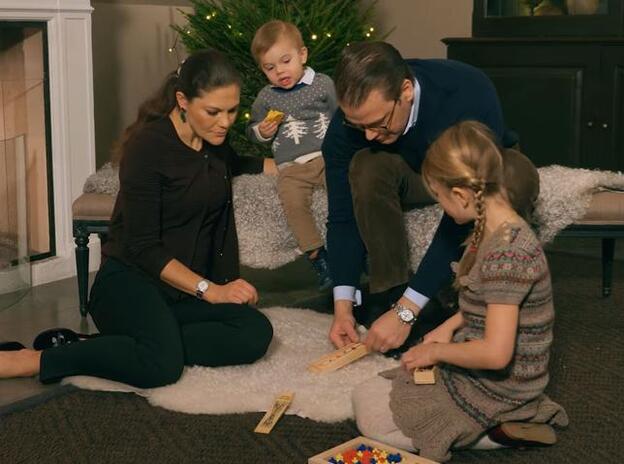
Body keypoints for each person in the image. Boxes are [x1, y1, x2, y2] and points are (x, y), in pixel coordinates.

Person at [0, 49, 275, 386]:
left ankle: (139, 345)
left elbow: (234, 162)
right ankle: (37, 359)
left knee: (255, 331)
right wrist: (211, 291)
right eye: (214, 111)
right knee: (162, 368)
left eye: (232, 111)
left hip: (181, 292)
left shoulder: (213, 141)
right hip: (129, 282)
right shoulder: (147, 148)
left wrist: (290, 167)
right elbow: (144, 248)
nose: (225, 122)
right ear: (182, 101)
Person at [352, 121, 568, 462]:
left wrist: (437, 354)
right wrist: (447, 328)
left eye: (439, 198)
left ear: (461, 195)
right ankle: (497, 424)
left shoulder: (508, 253)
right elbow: (488, 304)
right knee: (372, 391)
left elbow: (497, 354)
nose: (443, 209)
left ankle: (497, 432)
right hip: (480, 367)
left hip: (501, 387)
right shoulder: (495, 230)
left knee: (375, 419)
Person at [322, 41, 540, 354]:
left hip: (481, 166)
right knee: (366, 164)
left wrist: (408, 310)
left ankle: (442, 302)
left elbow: (466, 210)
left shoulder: (467, 91)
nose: (368, 135)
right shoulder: (349, 125)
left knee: (514, 177)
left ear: (406, 91)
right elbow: (342, 215)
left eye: (378, 123)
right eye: (358, 125)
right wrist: (342, 307)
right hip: (414, 171)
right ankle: (388, 294)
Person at [247, 20, 337, 291]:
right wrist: (262, 130)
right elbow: (252, 131)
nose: (279, 72)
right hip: (291, 167)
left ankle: (354, 246)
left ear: (302, 55)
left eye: (285, 61)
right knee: (292, 200)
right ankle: (317, 256)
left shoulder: (322, 85)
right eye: (270, 68)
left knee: (344, 189)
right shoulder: (266, 97)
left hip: (325, 157)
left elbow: (341, 115)